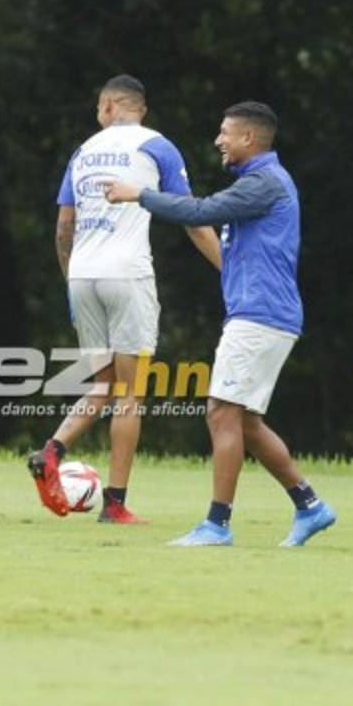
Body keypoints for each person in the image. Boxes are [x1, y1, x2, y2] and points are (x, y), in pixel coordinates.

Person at [104, 101, 336, 547]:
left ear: (249, 138)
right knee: (245, 420)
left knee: (220, 410)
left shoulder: (263, 183)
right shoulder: (261, 182)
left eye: (225, 133)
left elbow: (199, 212)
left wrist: (140, 194)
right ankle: (310, 506)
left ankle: (217, 524)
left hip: (260, 315)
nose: (218, 141)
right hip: (263, 314)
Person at [28, 74, 222, 523]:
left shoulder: (82, 152)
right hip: (126, 274)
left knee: (103, 384)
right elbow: (192, 217)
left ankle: (51, 451)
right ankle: (114, 504)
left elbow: (63, 228)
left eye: (99, 108)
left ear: (111, 105)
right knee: (130, 395)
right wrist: (228, 272)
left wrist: (71, 279)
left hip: (83, 274)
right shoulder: (158, 146)